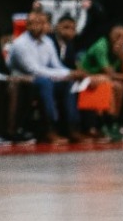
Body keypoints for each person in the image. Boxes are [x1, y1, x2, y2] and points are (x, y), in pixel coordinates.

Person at [8, 8, 83, 143]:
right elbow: (34, 70)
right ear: (28, 25)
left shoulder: (47, 42)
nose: (39, 26)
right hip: (23, 81)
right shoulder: (20, 44)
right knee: (45, 82)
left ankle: (72, 128)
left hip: (43, 79)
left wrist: (70, 74)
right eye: (34, 23)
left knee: (68, 84)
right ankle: (49, 129)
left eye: (42, 23)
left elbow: (56, 65)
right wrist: (68, 73)